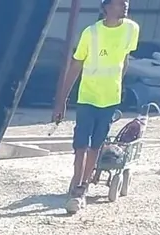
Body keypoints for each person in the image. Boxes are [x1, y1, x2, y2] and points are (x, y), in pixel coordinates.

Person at [50, 0, 141, 214]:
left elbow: (124, 60)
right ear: (106, 7)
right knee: (81, 143)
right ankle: (76, 183)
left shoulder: (132, 29)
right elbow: (76, 64)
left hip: (110, 99)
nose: (125, 5)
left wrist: (117, 85)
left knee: (96, 144)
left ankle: (83, 187)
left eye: (126, 2)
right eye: (120, 2)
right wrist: (61, 101)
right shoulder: (91, 33)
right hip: (88, 96)